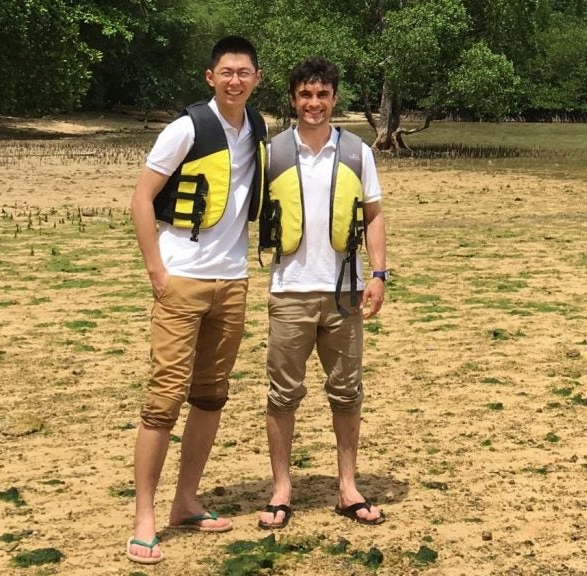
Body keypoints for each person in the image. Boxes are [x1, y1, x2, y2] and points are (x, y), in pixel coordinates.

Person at [126, 35, 266, 565]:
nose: (235, 80)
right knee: (163, 399)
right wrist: (157, 272)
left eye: (244, 72)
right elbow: (141, 199)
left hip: (232, 282)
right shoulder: (184, 129)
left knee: (211, 395)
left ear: (256, 79)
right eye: (226, 72)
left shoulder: (258, 128)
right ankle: (144, 515)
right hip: (181, 278)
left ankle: (187, 500)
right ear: (211, 77)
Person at [257, 57, 387, 530]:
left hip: (344, 293)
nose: (314, 104)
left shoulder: (357, 152)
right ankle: (281, 489)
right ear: (293, 99)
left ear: (334, 98)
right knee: (282, 395)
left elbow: (373, 214)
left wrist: (379, 274)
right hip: (289, 290)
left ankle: (347, 487)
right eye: (305, 95)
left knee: (347, 391)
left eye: (323, 95)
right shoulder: (271, 153)